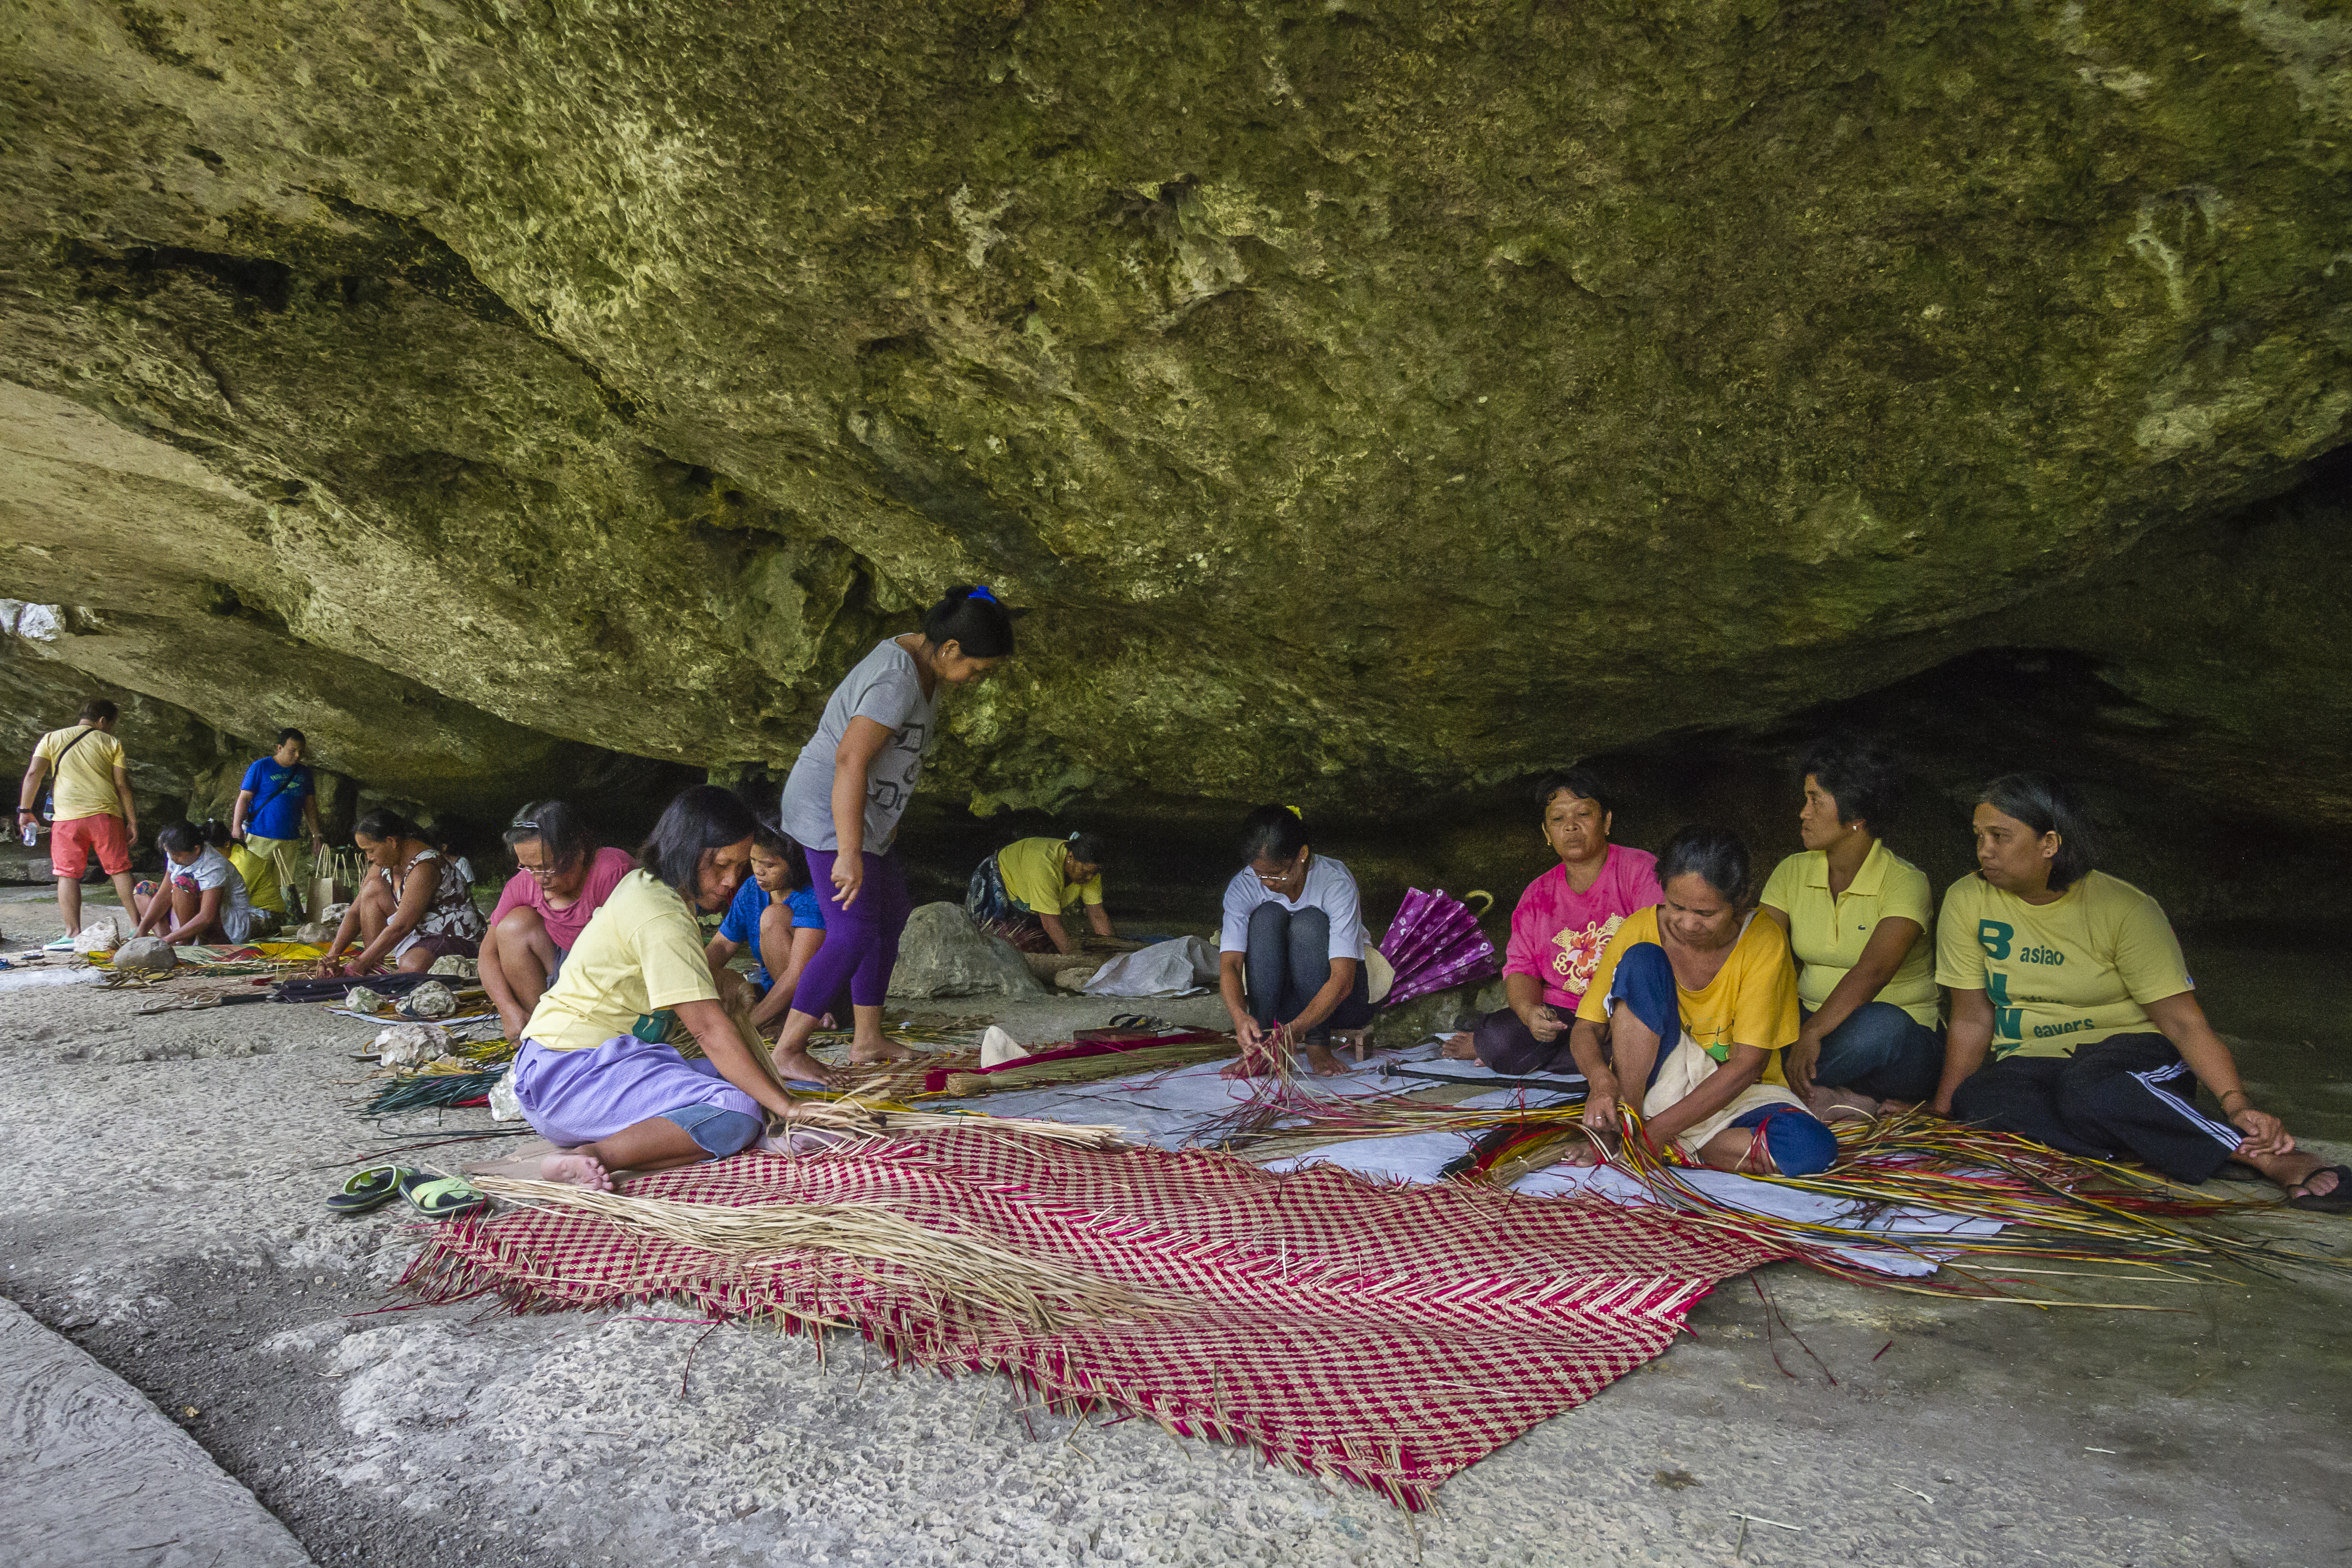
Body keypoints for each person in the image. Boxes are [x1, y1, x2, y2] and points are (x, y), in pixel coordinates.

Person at [1933, 774, 2345, 1210]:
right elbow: (1971, 1018)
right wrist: (1943, 1115)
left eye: (2000, 836)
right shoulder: (1967, 898)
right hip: (2037, 1060)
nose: (1984, 850)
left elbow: (2183, 1023)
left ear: (2049, 843)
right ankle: (2140, 1148)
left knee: (2088, 1091)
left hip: (2130, 1061)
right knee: (1979, 1099)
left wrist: (2236, 1102)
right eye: (1979, 836)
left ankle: (2267, 1159)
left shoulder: (2125, 908)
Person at [512, 785, 817, 1191]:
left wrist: (723, 981)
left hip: (574, 1068)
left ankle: (612, 1136)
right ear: (689, 850)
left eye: (739, 868)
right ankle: (592, 1156)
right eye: (721, 865)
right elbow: (708, 1030)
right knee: (739, 1108)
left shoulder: (648, 888)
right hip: (568, 1078)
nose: (731, 881)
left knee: (743, 1081)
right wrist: (788, 1107)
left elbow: (685, 973)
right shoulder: (660, 916)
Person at [771, 584, 1014, 1079]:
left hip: (865, 816)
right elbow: (850, 757)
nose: (975, 679)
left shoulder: (926, 667)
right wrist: (848, 850)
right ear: (950, 649)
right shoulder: (897, 679)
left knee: (890, 914)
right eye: (977, 668)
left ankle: (867, 1039)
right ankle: (788, 1048)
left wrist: (888, 820)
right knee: (852, 929)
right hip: (828, 810)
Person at [1565, 825, 1839, 1175]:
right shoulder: (1639, 927)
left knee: (1812, 1151)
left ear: (1738, 904)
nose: (1687, 924)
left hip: (1734, 1093)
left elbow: (1746, 1066)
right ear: (1662, 888)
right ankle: (1626, 1126)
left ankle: (1661, 1145)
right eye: (1677, 906)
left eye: (1706, 914)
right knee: (1642, 959)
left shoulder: (1763, 939)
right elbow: (1586, 1028)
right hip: (1653, 1082)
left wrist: (1657, 1136)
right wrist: (1602, 1083)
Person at [1757, 736, 1943, 1120]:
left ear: (1856, 815)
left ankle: (1761, 1087)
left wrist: (1811, 1036)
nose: (1802, 813)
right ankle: (1845, 1102)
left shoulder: (1905, 882)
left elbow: (1873, 971)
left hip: (1897, 1045)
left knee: (1883, 1024)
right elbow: (1759, 953)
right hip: (1811, 1026)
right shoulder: (1791, 871)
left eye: (1815, 800)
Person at [1445, 769, 1662, 1073]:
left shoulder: (1640, 870)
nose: (1571, 827)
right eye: (1558, 820)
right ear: (1547, 834)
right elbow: (1521, 967)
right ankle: (1585, 1058)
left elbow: (1656, 950)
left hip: (1625, 1012)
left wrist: (1619, 1013)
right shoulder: (1537, 893)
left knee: (1641, 1042)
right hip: (1564, 1015)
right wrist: (1529, 1012)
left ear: (1607, 822)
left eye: (1583, 814)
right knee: (1499, 1041)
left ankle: (1572, 1059)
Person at [1218, 805, 1377, 1079]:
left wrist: (1298, 1031)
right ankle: (1262, 1046)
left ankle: (1319, 1045)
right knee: (1266, 915)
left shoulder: (1334, 882)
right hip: (1276, 1004)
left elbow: (1343, 981)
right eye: (1260, 874)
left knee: (1310, 922)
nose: (1267, 883)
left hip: (1341, 1003)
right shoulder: (1243, 886)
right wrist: (1239, 1016)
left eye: (1277, 873)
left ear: (1302, 855)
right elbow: (1230, 965)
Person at [479, 801, 635, 1044]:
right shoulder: (524, 883)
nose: (539, 879)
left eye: (547, 868)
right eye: (529, 867)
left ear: (579, 851)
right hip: (562, 972)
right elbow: (487, 955)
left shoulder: (611, 871)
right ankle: (543, 1026)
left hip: (614, 975)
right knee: (514, 926)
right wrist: (508, 1010)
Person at [16, 698, 138, 946]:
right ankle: (138, 927)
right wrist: (132, 821)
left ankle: (72, 934)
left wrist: (25, 810)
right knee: (119, 869)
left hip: (67, 819)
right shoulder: (111, 742)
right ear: (103, 721)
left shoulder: (51, 738)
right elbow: (122, 785)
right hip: (106, 815)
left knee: (67, 874)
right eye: (111, 724)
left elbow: (33, 775)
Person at [319, 809, 488, 976]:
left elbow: (402, 927)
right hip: (420, 932)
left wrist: (360, 962)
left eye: (370, 850)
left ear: (391, 842)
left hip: (454, 936)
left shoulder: (426, 867)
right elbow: (356, 912)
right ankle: (373, 966)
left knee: (412, 966)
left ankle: (367, 965)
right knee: (372, 890)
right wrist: (332, 956)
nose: (369, 857)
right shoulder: (384, 862)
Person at [705, 813, 832, 1035]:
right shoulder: (751, 890)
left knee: (774, 917)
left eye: (769, 865)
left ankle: (802, 1018)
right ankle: (779, 1016)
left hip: (816, 997)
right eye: (753, 861)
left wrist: (747, 1027)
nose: (758, 871)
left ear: (794, 864)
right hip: (773, 992)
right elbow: (722, 947)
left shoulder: (813, 896)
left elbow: (797, 974)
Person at [966, 831, 1114, 954]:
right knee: (987, 943)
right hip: (998, 879)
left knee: (1035, 945)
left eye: (1093, 874)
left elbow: (1097, 914)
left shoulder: (1091, 872)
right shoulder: (1045, 868)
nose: (1089, 878)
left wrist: (1110, 952)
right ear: (1070, 857)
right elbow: (1050, 924)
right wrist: (1076, 959)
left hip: (1027, 897)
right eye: (1085, 872)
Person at [228, 728, 323, 920]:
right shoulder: (260, 767)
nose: (297, 756)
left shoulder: (304, 773)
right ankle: (240, 917)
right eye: (292, 750)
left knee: (284, 883)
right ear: (279, 748)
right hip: (260, 834)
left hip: (290, 838)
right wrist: (236, 828)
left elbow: (310, 806)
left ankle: (279, 919)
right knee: (250, 878)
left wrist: (317, 835)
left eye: (301, 752)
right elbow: (244, 799)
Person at [129, 820, 274, 945]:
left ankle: (184, 942)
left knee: (183, 882)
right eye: (170, 854)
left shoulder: (215, 866)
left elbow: (207, 917)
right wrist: (142, 930)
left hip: (226, 928)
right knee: (143, 889)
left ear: (196, 850)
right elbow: (164, 895)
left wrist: (167, 940)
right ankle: (170, 943)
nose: (173, 859)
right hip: (191, 919)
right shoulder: (176, 855)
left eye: (177, 855)